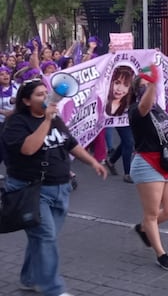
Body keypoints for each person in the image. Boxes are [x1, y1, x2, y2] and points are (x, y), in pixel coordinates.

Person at [1, 78, 108, 295]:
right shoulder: (15, 123)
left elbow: (70, 143)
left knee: (42, 238)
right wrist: (46, 121)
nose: (45, 97)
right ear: (26, 100)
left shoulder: (55, 119)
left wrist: (92, 161)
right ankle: (53, 289)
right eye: (39, 94)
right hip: (31, 190)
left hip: (60, 189)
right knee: (45, 237)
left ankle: (30, 278)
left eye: (45, 93)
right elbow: (29, 149)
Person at [128, 66, 168, 270]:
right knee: (152, 213)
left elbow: (163, 127)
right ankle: (161, 254)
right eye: (144, 86)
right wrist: (153, 83)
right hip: (147, 163)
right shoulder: (137, 110)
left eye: (151, 85)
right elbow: (144, 107)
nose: (150, 88)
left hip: (166, 161)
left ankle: (143, 228)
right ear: (138, 91)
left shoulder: (157, 109)